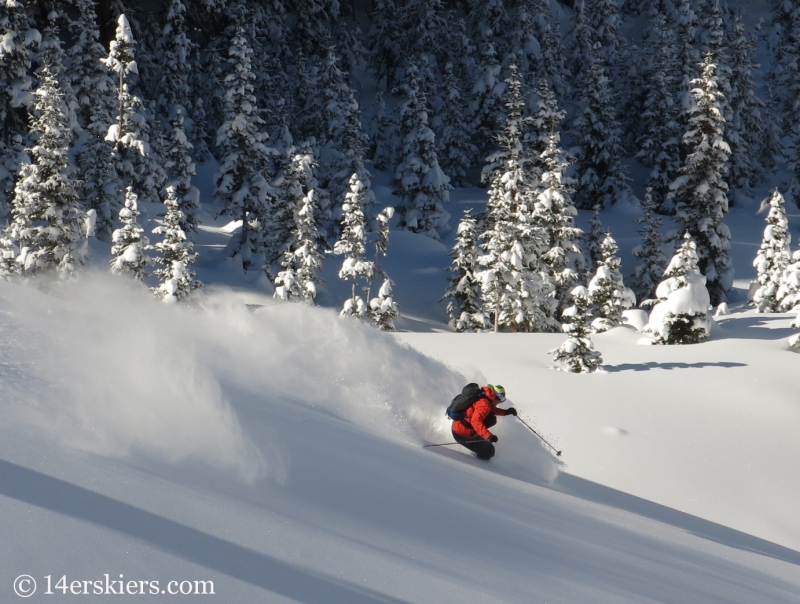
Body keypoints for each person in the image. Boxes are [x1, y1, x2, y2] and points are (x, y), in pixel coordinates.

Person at [451, 384, 517, 460]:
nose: (499, 402)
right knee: (489, 451)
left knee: (492, 419)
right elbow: (476, 421)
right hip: (462, 434)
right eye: (501, 399)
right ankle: (477, 465)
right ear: (496, 396)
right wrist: (488, 436)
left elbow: (492, 409)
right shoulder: (485, 404)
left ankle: (476, 438)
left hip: (458, 427)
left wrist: (506, 412)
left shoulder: (485, 397)